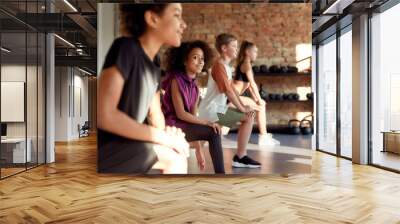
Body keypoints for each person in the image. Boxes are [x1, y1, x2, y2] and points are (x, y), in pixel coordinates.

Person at [97, 3, 189, 174]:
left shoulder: (155, 63)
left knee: (177, 153)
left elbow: (155, 114)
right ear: (153, 18)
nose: (184, 24)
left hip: (129, 144)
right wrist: (164, 139)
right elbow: (105, 116)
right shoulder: (125, 48)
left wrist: (168, 136)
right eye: (177, 15)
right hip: (108, 149)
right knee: (174, 160)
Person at [198, 33, 261, 168]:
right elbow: (228, 91)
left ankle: (240, 156)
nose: (237, 50)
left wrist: (243, 105)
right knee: (248, 117)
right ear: (224, 48)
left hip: (217, 109)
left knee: (248, 116)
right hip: (211, 110)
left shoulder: (226, 67)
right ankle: (240, 156)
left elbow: (232, 89)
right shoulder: (219, 66)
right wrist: (243, 108)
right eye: (234, 46)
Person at [161, 40, 225, 173]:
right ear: (185, 61)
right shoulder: (175, 80)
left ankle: (221, 175)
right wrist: (207, 122)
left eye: (202, 58)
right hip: (172, 125)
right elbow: (181, 114)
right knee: (213, 130)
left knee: (215, 131)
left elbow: (192, 115)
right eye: (195, 57)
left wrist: (198, 148)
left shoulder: (195, 85)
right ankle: (221, 175)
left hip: (184, 125)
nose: (200, 61)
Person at [233, 41, 280, 146]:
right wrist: (259, 100)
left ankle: (264, 137)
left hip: (235, 97)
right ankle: (264, 137)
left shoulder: (244, 64)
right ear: (247, 52)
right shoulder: (246, 64)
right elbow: (253, 84)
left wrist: (256, 99)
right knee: (261, 107)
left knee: (224, 127)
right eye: (254, 51)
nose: (256, 54)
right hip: (233, 97)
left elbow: (249, 86)